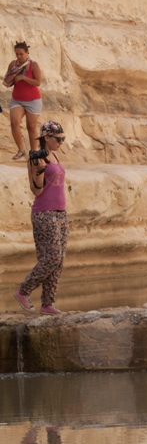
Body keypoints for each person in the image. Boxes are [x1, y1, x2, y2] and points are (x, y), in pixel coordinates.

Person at [13, 121, 68, 315]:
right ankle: (23, 291)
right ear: (46, 138)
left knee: (58, 260)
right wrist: (40, 171)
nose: (61, 142)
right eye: (58, 139)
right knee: (51, 256)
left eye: (63, 138)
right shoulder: (35, 159)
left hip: (61, 212)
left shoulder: (55, 155)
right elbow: (36, 191)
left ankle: (47, 303)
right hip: (44, 212)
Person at [4, 41, 42, 161]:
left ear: (27, 53)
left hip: (33, 100)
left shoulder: (33, 65)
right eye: (17, 54)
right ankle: (21, 150)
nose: (19, 57)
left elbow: (38, 82)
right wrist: (15, 74)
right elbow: (6, 82)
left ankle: (34, 152)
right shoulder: (13, 64)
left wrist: (24, 78)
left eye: (21, 54)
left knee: (31, 127)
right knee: (14, 122)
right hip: (17, 99)